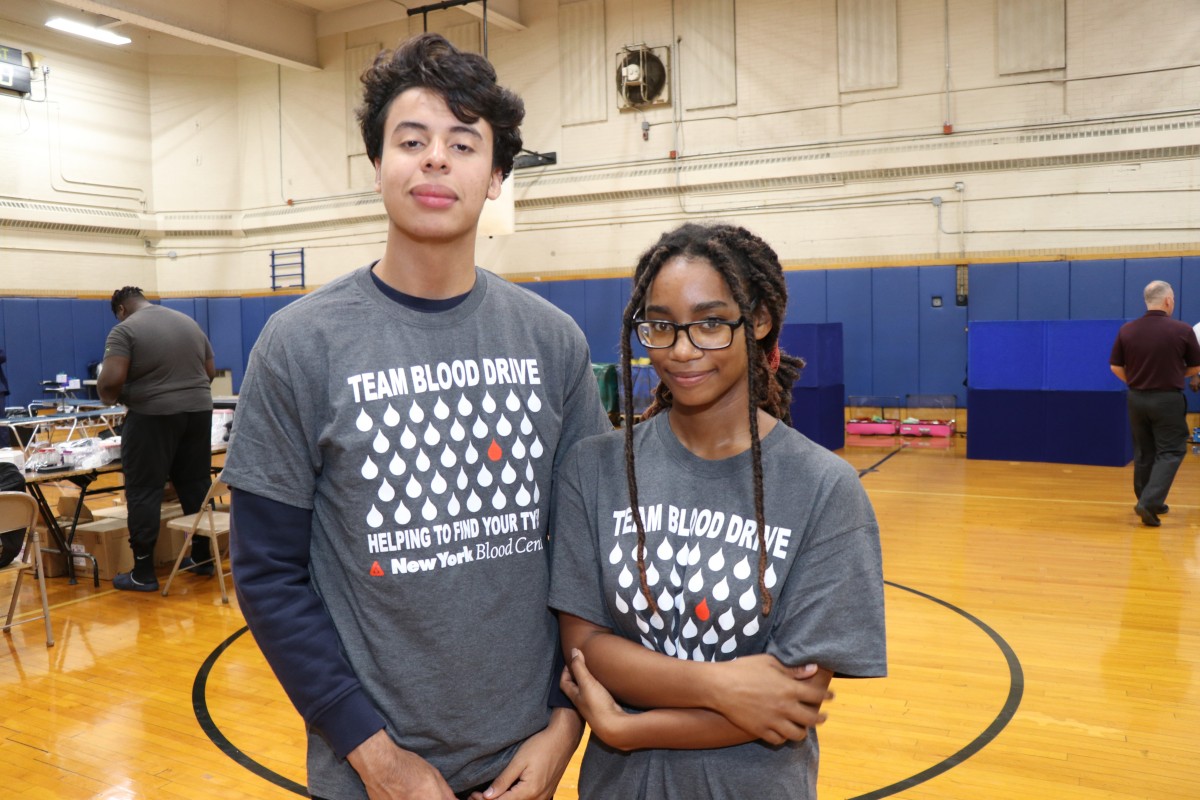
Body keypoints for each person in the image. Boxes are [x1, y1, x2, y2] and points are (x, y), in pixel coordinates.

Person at [221, 33, 611, 800]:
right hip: (372, 775)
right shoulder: (299, 345)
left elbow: (588, 552)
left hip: (525, 762)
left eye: (463, 143)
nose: (436, 159)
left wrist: (566, 723)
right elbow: (267, 575)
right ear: (376, 166)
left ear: (496, 176)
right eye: (412, 140)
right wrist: (375, 756)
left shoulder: (551, 342)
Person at [548, 222, 887, 799]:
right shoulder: (594, 468)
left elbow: (788, 704)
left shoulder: (824, 489)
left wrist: (628, 727)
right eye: (660, 326)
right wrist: (723, 686)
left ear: (757, 321)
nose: (681, 350)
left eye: (710, 323)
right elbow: (584, 647)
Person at [97, 286, 217, 591]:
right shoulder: (187, 322)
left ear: (121, 309)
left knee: (144, 489)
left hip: (153, 415)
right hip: (199, 410)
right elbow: (209, 371)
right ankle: (203, 558)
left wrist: (117, 398)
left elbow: (110, 382)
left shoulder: (124, 330)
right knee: (195, 483)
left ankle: (143, 572)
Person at [1109, 280, 1200, 527]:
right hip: (1167, 399)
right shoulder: (1182, 330)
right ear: (1168, 301)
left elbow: (1115, 366)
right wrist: (1169, 374)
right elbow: (1195, 367)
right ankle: (1148, 502)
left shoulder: (1127, 330)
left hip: (1136, 398)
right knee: (1171, 451)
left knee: (1144, 451)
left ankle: (1149, 501)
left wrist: (1138, 380)